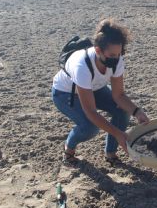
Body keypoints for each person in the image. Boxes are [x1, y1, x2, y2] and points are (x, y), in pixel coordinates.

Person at [52, 20, 150, 165]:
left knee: (123, 111)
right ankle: (69, 147)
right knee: (89, 128)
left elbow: (119, 96)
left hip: (94, 87)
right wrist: (118, 134)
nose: (117, 59)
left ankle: (110, 153)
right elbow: (91, 111)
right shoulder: (82, 67)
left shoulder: (116, 58)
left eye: (119, 54)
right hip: (65, 93)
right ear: (98, 51)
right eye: (112, 55)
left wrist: (137, 112)